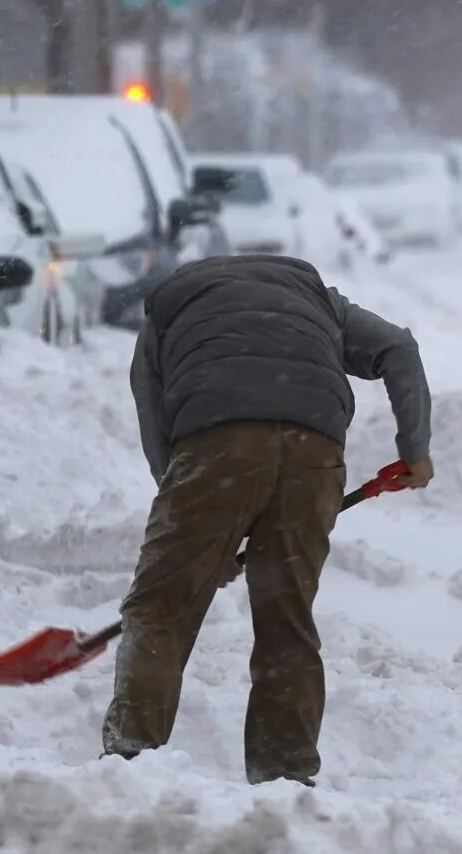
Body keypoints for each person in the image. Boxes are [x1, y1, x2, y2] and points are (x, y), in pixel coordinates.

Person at [107, 254, 433, 786]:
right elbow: (399, 347)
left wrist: (198, 536)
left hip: (217, 444)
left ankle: (130, 764)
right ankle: (286, 776)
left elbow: (155, 423)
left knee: (159, 610)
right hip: (313, 448)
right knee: (286, 616)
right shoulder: (317, 301)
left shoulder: (167, 312)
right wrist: (415, 449)